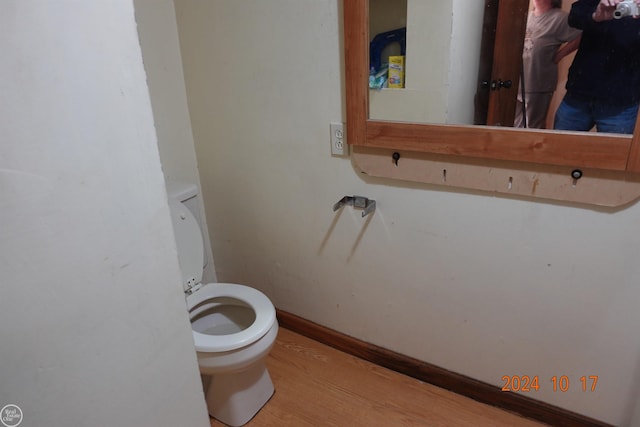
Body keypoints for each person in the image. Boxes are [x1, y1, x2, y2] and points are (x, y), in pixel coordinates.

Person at [553, 0, 640, 134]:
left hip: (622, 101)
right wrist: (595, 15)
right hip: (578, 94)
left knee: (614, 154)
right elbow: (574, 16)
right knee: (557, 149)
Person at [514, 0, 582, 129]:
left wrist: (561, 54)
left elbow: (580, 36)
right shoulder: (527, 15)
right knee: (515, 125)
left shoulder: (560, 18)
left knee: (532, 126)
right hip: (518, 83)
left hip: (538, 83)